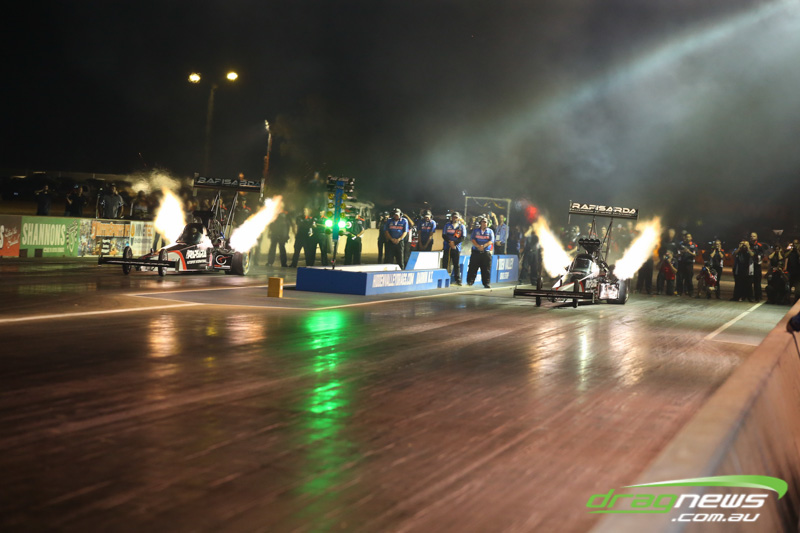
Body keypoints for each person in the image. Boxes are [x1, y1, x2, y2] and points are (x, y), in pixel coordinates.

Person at [467, 216, 494, 288]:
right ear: (480, 223)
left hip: (486, 252)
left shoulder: (490, 231)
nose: (484, 224)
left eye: (485, 222)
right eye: (483, 222)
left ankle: (486, 283)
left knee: (486, 269)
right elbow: (472, 239)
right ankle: (470, 282)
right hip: (476, 252)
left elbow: (491, 241)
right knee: (472, 267)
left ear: (487, 223)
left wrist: (483, 246)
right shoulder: (475, 231)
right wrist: (478, 246)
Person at [442, 211, 467, 285]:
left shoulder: (461, 226)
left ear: (458, 218)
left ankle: (457, 280)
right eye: (453, 217)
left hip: (456, 248)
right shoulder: (447, 225)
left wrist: (454, 243)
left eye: (456, 217)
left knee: (456, 264)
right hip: (447, 247)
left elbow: (463, 237)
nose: (455, 218)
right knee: (445, 263)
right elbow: (444, 235)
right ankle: (444, 278)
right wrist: (449, 242)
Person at [749, 232, 766, 301]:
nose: (752, 237)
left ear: (757, 237)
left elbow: (761, 255)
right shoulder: (748, 245)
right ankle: (749, 296)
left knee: (757, 282)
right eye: (751, 236)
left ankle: (758, 297)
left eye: (754, 236)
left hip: (756, 266)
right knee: (749, 282)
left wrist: (755, 256)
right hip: (749, 266)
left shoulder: (759, 245)